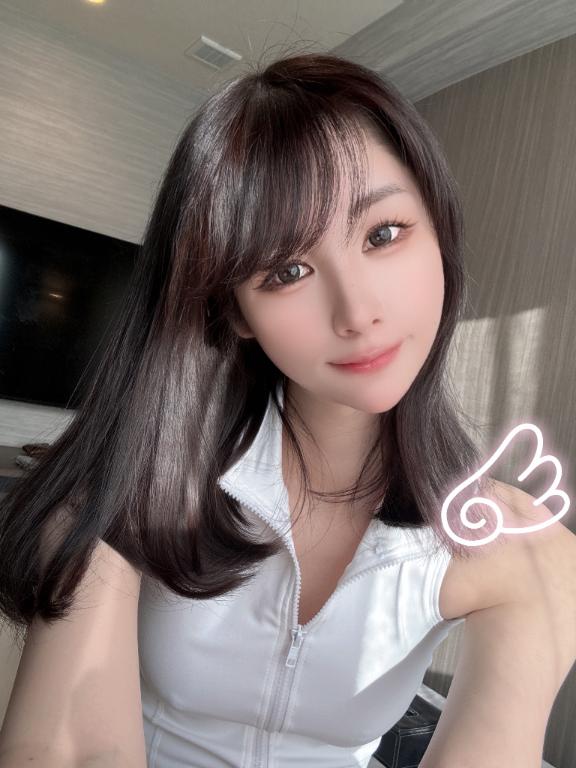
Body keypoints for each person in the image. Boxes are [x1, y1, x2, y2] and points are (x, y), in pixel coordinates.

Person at [0, 51, 574, 768]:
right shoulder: (131, 489)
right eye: (287, 270)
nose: (357, 312)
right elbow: (70, 750)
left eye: (383, 234)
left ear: (440, 231)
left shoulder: (529, 553)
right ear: (236, 310)